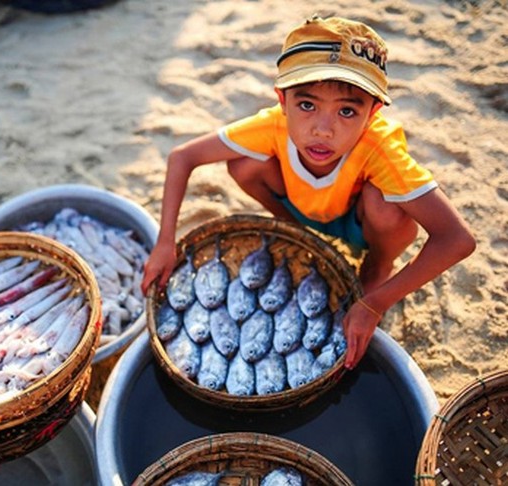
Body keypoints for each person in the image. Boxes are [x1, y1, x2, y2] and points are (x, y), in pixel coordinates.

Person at [141, 15, 476, 370]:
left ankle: (377, 264)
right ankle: (296, 232)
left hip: (359, 225)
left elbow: (456, 239)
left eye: (347, 111)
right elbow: (183, 157)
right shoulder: (273, 125)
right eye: (307, 105)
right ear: (282, 100)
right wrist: (165, 243)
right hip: (298, 208)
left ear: (373, 113)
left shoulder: (379, 148)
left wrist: (376, 302)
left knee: (388, 208)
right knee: (242, 164)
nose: (323, 129)